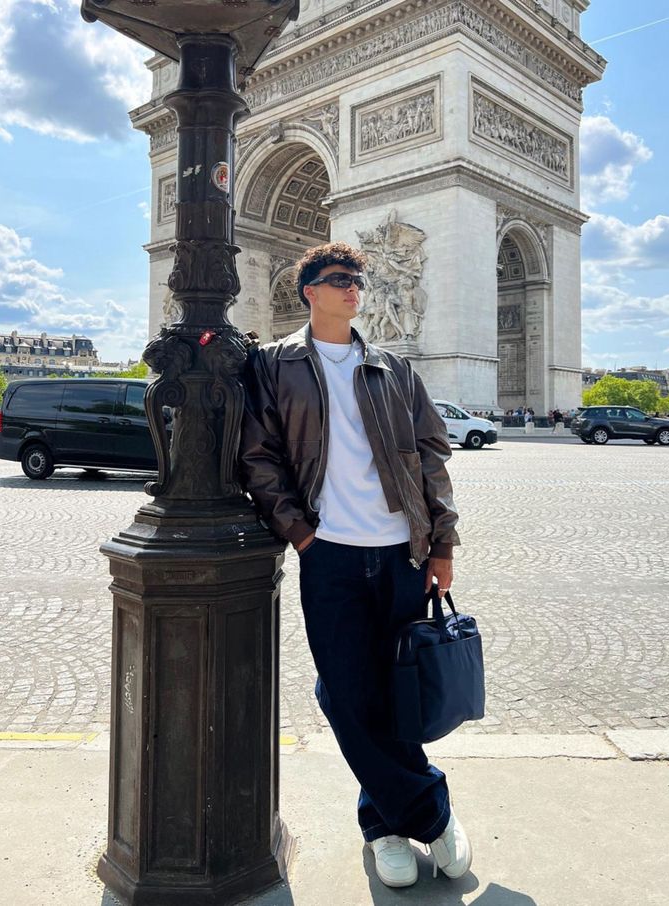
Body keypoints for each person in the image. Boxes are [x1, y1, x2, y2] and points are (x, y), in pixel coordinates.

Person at [240, 241, 470, 888]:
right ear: (308, 289)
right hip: (331, 555)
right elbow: (257, 456)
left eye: (358, 281)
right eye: (339, 280)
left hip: (400, 551)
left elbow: (431, 457)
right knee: (345, 690)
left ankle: (384, 824)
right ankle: (433, 811)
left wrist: (443, 543)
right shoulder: (272, 365)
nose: (354, 290)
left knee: (393, 692)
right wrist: (301, 534)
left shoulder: (394, 366)